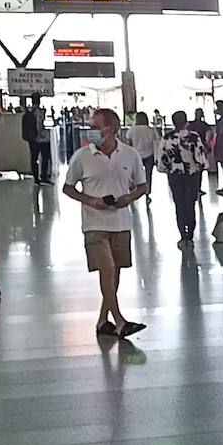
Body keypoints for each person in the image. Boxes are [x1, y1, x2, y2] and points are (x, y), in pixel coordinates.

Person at [62, 108, 148, 338]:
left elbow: (142, 185)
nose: (91, 131)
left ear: (111, 129)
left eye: (95, 127)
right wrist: (90, 199)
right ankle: (120, 321)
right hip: (94, 224)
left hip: (121, 222)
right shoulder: (82, 157)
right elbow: (68, 188)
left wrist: (128, 198)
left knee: (114, 273)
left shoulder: (130, 155)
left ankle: (102, 321)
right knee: (107, 269)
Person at [157, 110, 208, 248]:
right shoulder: (194, 136)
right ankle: (190, 235)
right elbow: (200, 157)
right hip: (192, 175)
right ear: (186, 121)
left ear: (173, 122)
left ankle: (182, 235)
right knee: (191, 204)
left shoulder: (167, 138)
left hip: (175, 176)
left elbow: (162, 160)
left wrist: (168, 168)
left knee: (179, 204)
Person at [127, 111, 160, 194]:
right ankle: (148, 190)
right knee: (148, 174)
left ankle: (135, 191)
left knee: (134, 174)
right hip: (149, 155)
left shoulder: (132, 130)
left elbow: (129, 144)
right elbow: (156, 143)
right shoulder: (151, 130)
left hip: (136, 155)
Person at [20, 101, 52, 185]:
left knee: (34, 158)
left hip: (32, 138)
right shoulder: (40, 111)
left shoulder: (28, 112)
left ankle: (36, 179)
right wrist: (40, 134)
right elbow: (39, 124)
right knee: (45, 157)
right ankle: (44, 177)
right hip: (40, 138)